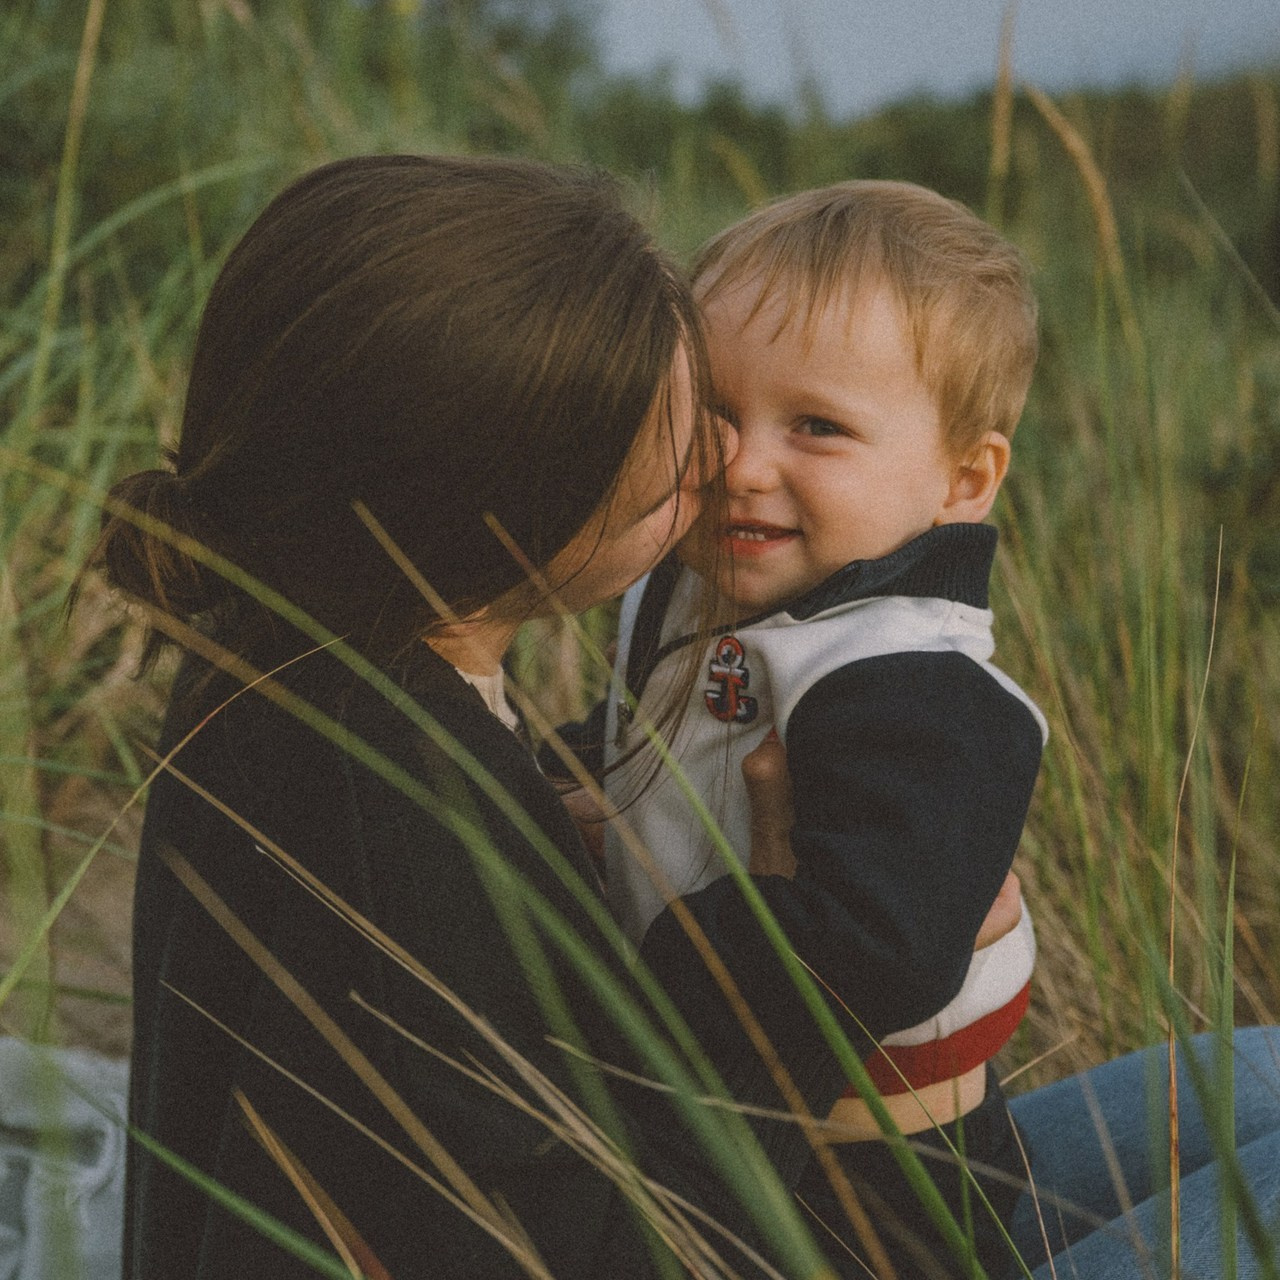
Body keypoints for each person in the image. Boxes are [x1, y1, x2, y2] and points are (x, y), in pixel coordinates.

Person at [95, 154, 1019, 1280]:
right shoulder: (409, 818)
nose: (721, 462)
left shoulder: (286, 646)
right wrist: (768, 971)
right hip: (804, 1208)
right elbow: (605, 1247)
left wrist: (577, 807)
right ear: (509, 508)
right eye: (683, 439)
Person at [594, 180, 1044, 1278]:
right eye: (715, 415)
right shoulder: (699, 594)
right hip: (736, 1134)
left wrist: (639, 969)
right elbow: (655, 742)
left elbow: (876, 947)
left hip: (885, 1186)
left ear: (961, 478)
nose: (744, 464)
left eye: (817, 426)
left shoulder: (911, 680)